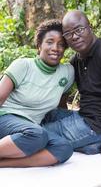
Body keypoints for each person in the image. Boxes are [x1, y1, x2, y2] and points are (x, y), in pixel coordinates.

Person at [43, 9, 101, 157]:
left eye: (79, 29)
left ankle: (98, 141)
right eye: (68, 34)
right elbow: (63, 92)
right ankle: (91, 145)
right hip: (83, 117)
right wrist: (61, 119)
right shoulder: (76, 60)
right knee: (43, 115)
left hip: (99, 126)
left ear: (90, 27)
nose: (75, 36)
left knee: (34, 134)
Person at [0, 19, 74, 167]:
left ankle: (3, 163)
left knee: (64, 148)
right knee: (37, 134)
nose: (56, 48)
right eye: (50, 42)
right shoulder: (23, 65)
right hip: (5, 119)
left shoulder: (67, 73)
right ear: (39, 45)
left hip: (30, 128)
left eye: (61, 44)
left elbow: (61, 103)